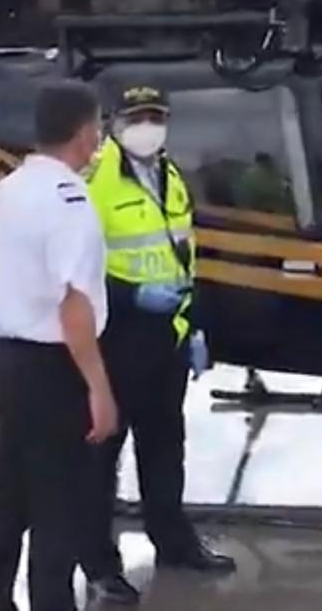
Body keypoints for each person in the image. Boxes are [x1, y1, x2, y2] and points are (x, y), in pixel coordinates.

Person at [80, 85, 235, 606]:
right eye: (138, 117)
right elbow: (78, 273)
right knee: (104, 459)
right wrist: (132, 296)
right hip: (118, 338)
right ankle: (100, 565)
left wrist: (195, 326)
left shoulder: (169, 176)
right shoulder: (93, 182)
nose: (148, 126)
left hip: (167, 338)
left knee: (165, 448)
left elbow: (182, 258)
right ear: (114, 125)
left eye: (156, 117)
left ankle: (173, 542)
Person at [0, 80, 119, 611]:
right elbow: (74, 304)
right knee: (59, 501)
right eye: (99, 127)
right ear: (85, 133)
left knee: (10, 492)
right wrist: (98, 387)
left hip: (6, 361)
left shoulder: (5, 190)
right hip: (52, 366)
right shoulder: (70, 201)